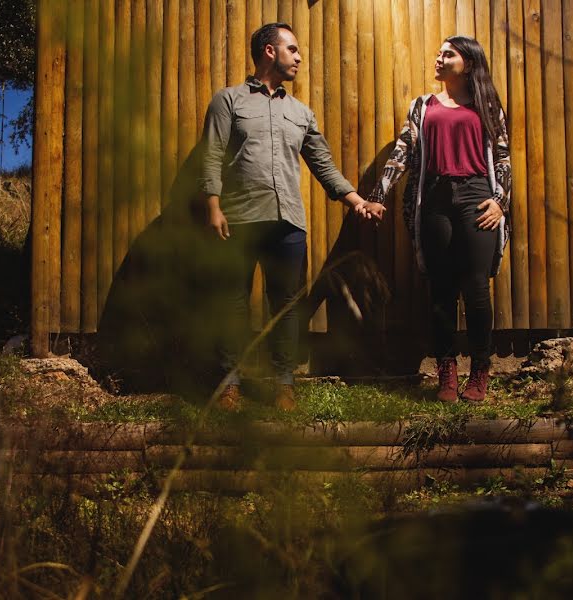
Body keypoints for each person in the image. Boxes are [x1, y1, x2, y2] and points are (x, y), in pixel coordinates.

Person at [201, 22, 380, 411]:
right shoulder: (228, 100)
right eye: (292, 50)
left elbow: (323, 164)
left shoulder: (300, 112)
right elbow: (211, 155)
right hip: (238, 219)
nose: (299, 58)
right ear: (270, 51)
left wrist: (356, 201)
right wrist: (213, 206)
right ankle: (229, 384)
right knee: (232, 304)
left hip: (288, 224)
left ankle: (284, 385)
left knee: (284, 306)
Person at [368, 35, 511, 403]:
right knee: (442, 290)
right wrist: (378, 194)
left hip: (477, 198)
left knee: (477, 288)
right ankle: (446, 371)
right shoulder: (422, 106)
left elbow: (503, 159)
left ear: (469, 63)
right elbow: (401, 153)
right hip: (434, 200)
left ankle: (480, 370)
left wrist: (500, 201)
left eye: (449, 54)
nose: (439, 58)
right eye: (439, 53)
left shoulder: (487, 105)